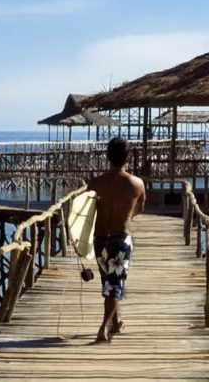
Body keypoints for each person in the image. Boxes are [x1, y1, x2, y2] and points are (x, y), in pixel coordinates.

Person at [87, 137, 145, 343]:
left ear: (107, 156)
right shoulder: (136, 184)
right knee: (114, 284)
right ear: (128, 157)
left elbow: (86, 212)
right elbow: (140, 208)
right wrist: (125, 216)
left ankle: (116, 321)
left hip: (100, 238)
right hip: (121, 238)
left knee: (108, 281)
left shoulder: (95, 183)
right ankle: (103, 328)